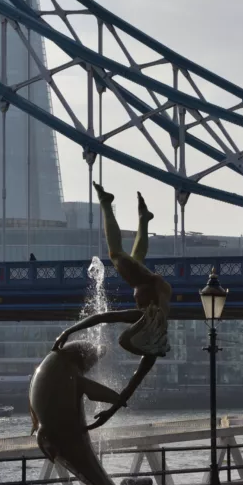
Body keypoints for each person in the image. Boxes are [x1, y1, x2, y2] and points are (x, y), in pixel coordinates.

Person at [53, 183, 172, 430]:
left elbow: (131, 385)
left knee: (135, 258)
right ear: (141, 336)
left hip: (154, 287)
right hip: (150, 285)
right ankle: (106, 203)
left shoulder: (154, 342)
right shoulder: (144, 319)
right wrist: (68, 332)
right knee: (116, 254)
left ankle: (144, 220)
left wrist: (111, 411)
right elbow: (102, 317)